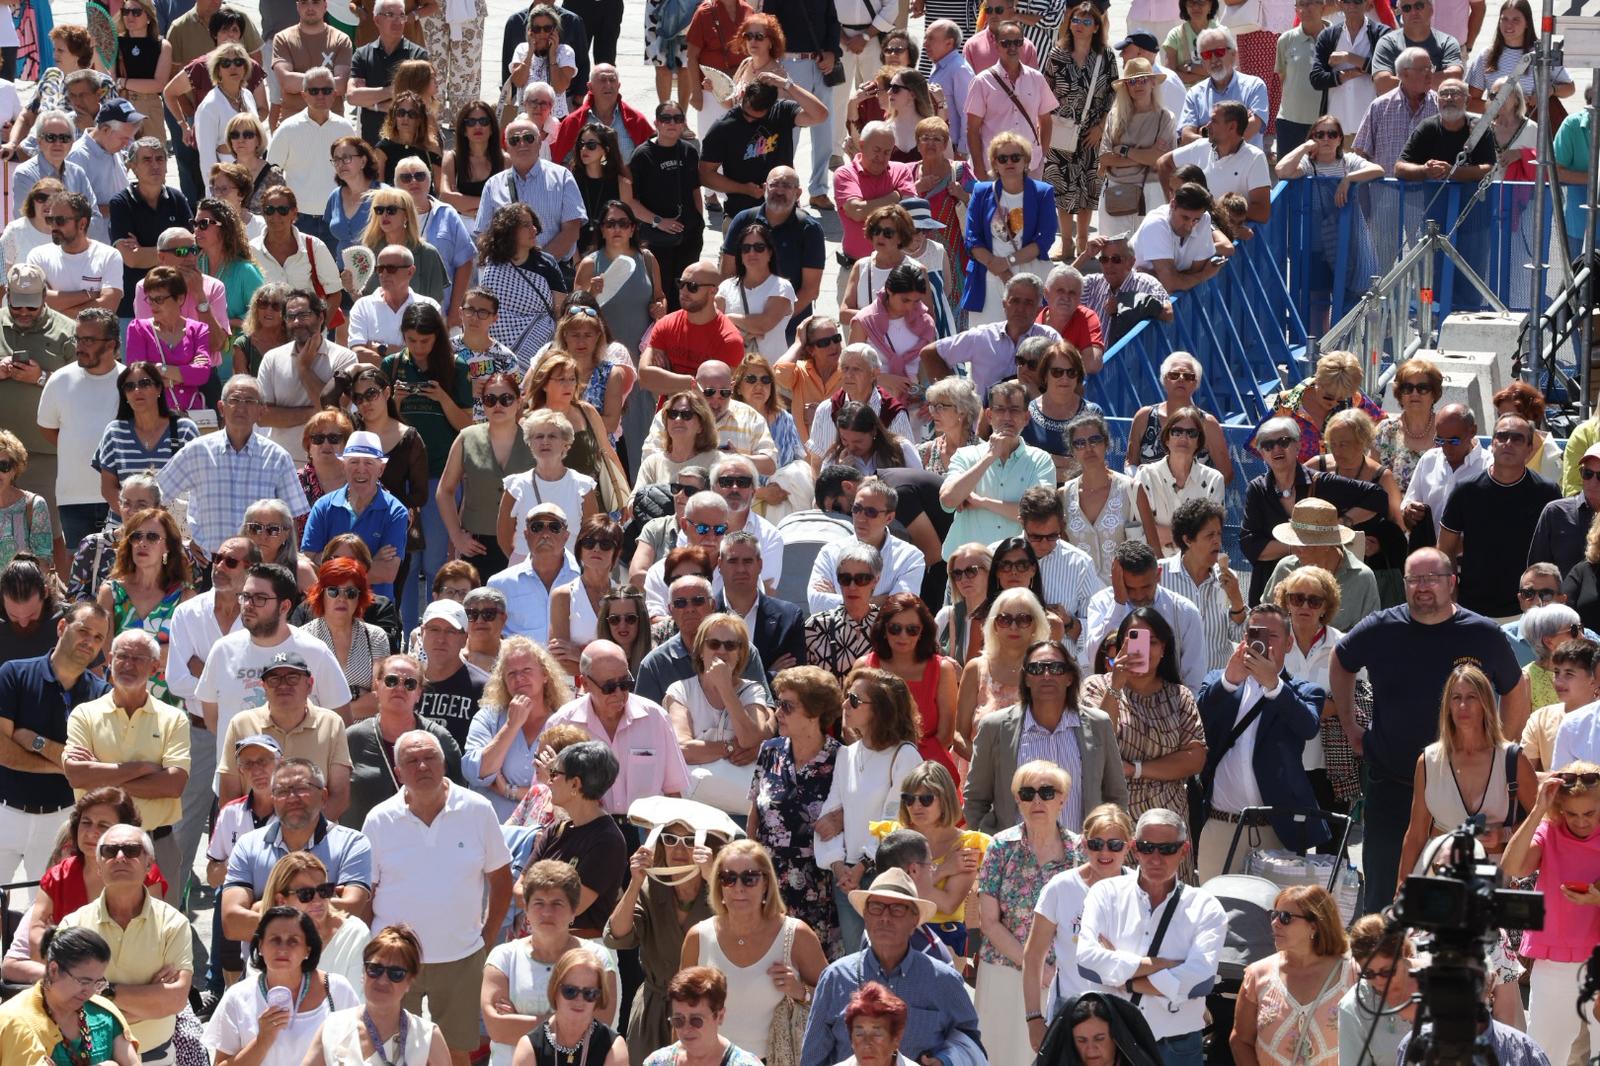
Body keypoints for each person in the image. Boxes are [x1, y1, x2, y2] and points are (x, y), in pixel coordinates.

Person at [1331, 546, 1527, 915]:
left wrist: (1502, 754)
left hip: (1462, 795)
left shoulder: (1482, 633)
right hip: (1393, 783)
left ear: (1452, 582)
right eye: (1414, 579)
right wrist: (1350, 725)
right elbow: (1341, 660)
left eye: (1432, 578)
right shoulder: (1381, 627)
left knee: (1463, 902)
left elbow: (1516, 689)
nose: (1423, 587)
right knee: (1385, 895)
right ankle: (1382, 967)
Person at [363, 730, 513, 1065]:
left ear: (444, 763)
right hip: (394, 960)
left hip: (461, 957)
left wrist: (486, 938)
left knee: (458, 1052)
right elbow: (365, 893)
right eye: (411, 760)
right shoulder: (378, 819)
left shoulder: (478, 809)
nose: (422, 765)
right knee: (391, 1051)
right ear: (398, 771)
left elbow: (502, 881)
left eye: (429, 757)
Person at [1075, 809, 1227, 1061]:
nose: (1155, 858)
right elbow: (1087, 961)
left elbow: (1199, 981)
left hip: (1175, 1046)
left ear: (1184, 850)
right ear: (1134, 849)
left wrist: (1123, 979)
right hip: (1115, 1041)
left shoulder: (1206, 907)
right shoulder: (1105, 893)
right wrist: (1162, 967)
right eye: (1147, 848)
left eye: (1166, 849)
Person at [1195, 605, 1329, 881]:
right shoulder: (1218, 682)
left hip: (1276, 830)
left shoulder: (1303, 691)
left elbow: (1307, 726)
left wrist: (1274, 686)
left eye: (1272, 636)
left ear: (1289, 643)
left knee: (1275, 918)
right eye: (1255, 633)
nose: (1263, 642)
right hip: (1221, 825)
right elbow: (1197, 721)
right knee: (1214, 914)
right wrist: (1229, 680)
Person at [799, 868, 982, 1066]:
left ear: (915, 921)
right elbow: (812, 1058)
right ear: (865, 916)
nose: (885, 918)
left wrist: (945, 1060)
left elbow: (970, 1040)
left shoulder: (943, 980)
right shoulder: (835, 978)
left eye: (897, 909)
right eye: (876, 907)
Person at [61, 630, 190, 898]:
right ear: (110, 659)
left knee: (160, 934)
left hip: (156, 843)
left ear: (155, 667)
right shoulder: (84, 715)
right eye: (122, 656)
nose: (128, 664)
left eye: (138, 658)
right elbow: (76, 776)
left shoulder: (174, 719)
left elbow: (174, 784)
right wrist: (143, 768)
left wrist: (100, 773)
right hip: (97, 847)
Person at [973, 759, 1084, 1066]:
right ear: (1017, 799)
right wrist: (1035, 968)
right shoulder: (999, 847)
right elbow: (989, 922)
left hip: (1063, 977)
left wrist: (1052, 973)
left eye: (1047, 792)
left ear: (1062, 799)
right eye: (1028, 792)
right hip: (1004, 972)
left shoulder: (1081, 852)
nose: (1037, 800)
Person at [56, 822, 192, 1066]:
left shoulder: (174, 924)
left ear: (148, 863)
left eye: (131, 850)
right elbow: (62, 1002)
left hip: (155, 1058)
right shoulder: (73, 925)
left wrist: (101, 990)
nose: (120, 857)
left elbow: (175, 1001)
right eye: (110, 851)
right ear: (98, 866)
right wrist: (150, 1002)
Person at [679, 839, 827, 1059]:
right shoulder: (698, 937)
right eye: (729, 878)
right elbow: (681, 1014)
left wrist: (800, 992)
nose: (739, 888)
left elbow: (834, 999)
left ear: (766, 883)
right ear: (718, 884)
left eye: (749, 878)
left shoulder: (796, 935)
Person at [813, 666, 924, 951]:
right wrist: (839, 867)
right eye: (846, 696)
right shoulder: (845, 754)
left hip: (884, 876)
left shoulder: (906, 754)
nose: (844, 705)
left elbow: (896, 819)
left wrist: (862, 867)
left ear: (881, 709)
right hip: (847, 879)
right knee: (856, 962)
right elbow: (828, 816)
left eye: (854, 700)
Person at [0, 602, 111, 884]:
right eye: (84, 631)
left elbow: (95, 766)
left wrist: (36, 742)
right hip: (5, 812)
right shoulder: (13, 674)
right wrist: (68, 768)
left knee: (49, 917)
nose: (90, 642)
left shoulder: (102, 695)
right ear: (62, 627)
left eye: (98, 637)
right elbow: (3, 751)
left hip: (61, 820)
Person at [1397, 663, 1537, 884]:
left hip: (1495, 875)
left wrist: (1505, 834)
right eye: (1456, 698)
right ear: (1448, 706)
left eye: (1472, 697)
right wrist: (1401, 890)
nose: (1463, 705)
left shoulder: (1511, 758)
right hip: (1437, 874)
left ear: (1485, 703)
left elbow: (1542, 818)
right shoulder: (1429, 761)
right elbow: (1415, 833)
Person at [1499, 762, 1600, 1057]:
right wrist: (1538, 810)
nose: (1580, 821)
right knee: (1544, 1055)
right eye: (1571, 814)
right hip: (1555, 960)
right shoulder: (1549, 829)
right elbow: (1512, 867)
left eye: (1590, 813)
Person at [482, 860, 621, 1066]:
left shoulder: (598, 958)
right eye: (539, 903)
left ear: (574, 911)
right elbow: (497, 1028)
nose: (547, 912)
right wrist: (571, 1020)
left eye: (557, 903)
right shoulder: (503, 957)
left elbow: (600, 1028)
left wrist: (519, 1021)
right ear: (526, 909)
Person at [1083, 606, 1207, 832]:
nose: (1144, 650)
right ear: (1121, 646)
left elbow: (1195, 758)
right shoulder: (1095, 687)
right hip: (1112, 821)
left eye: (1152, 642)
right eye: (1136, 640)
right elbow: (1093, 744)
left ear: (1164, 649)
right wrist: (1116, 686)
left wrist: (1136, 769)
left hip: (1167, 821)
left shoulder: (1179, 696)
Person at [748, 665, 844, 956]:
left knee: (810, 967)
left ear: (815, 712)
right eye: (778, 704)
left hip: (815, 884)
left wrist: (839, 819)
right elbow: (754, 812)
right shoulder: (770, 750)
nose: (778, 713)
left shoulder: (841, 758)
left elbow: (858, 812)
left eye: (788, 706)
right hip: (767, 881)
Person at [1024, 804, 1136, 1043]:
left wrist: (1115, 959)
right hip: (1070, 1008)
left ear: (1129, 846)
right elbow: (1033, 956)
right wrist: (1034, 1019)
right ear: (1084, 844)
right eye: (1096, 844)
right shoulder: (1060, 887)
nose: (1104, 852)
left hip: (1125, 1011)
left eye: (1114, 845)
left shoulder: (1142, 889)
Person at [205, 905, 360, 1066]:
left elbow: (359, 1052)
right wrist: (262, 1041)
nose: (283, 949)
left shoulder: (336, 990)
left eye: (293, 941)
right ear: (260, 946)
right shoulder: (237, 997)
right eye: (275, 940)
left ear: (307, 950)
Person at [1437, 412, 1558, 618]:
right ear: (1492, 443)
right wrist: (1453, 595)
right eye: (1502, 436)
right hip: (1472, 608)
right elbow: (1445, 548)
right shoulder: (1466, 490)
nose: (1508, 443)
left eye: (1518, 438)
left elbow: (1556, 553)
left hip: (1527, 612)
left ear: (1530, 449)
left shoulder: (1547, 493)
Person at [1227, 885, 1357, 1066]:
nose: (1275, 923)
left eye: (1285, 918)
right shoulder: (1257, 975)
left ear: (1314, 926)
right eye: (1274, 915)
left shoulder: (1353, 974)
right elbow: (1240, 1040)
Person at [304, 924, 451, 1066]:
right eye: (375, 969)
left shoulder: (428, 1037)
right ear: (363, 972)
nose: (383, 980)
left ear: (409, 982)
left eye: (396, 973)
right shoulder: (333, 1027)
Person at [0, 925, 138, 1066]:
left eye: (97, 982)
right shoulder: (18, 1021)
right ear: (53, 970)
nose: (89, 991)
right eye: (84, 981)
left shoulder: (104, 1012)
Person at [508, 946, 628, 1066]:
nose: (579, 1000)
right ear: (555, 990)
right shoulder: (529, 1048)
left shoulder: (613, 1047)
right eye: (570, 991)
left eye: (589, 993)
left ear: (598, 997)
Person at [1336, 915, 1419, 1066]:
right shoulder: (1353, 1007)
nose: (1379, 981)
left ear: (1401, 953)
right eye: (1368, 974)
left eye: (1387, 971)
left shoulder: (1434, 978)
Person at [1352, 47, 1441, 174]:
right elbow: (1361, 154)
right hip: (1387, 191)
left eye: (1431, 68)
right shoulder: (1379, 107)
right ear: (1404, 74)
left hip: (1430, 192)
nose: (1429, 74)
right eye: (1423, 70)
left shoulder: (1440, 106)